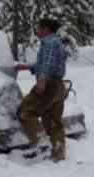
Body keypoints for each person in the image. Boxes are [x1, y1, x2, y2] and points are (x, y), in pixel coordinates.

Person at [15, 17, 68, 162]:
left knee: (25, 111)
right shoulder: (56, 41)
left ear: (46, 29)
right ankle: (58, 153)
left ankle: (41, 143)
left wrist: (42, 80)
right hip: (58, 85)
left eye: (38, 28)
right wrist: (27, 67)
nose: (36, 31)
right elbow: (46, 62)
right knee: (53, 122)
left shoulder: (49, 42)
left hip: (49, 85)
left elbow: (48, 64)